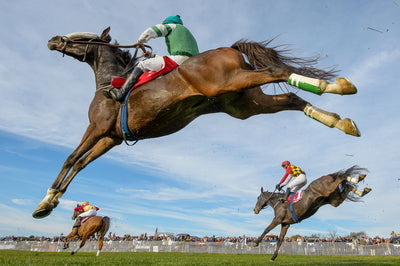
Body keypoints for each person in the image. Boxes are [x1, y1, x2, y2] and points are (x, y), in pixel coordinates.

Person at [104, 14, 199, 101]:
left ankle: (120, 94)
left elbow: (154, 30)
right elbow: (169, 59)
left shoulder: (172, 26)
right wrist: (151, 56)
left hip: (179, 60)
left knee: (142, 64)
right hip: (192, 63)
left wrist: (140, 41)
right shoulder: (189, 35)